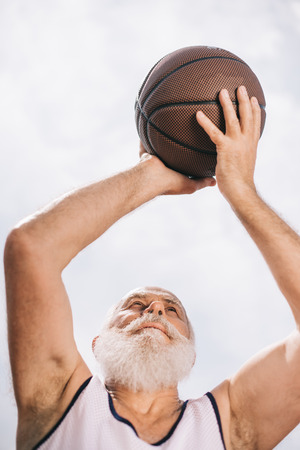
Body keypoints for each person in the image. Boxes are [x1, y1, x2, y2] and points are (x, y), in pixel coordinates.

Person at [4, 86, 300, 450]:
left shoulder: (231, 426)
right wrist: (151, 175)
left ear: (191, 354)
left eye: (172, 310)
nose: (156, 309)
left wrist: (241, 190)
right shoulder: (58, 401)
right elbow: (31, 248)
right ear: (98, 345)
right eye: (135, 305)